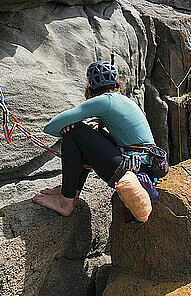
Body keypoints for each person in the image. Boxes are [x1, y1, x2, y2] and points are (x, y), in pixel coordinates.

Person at [32, 60, 158, 216]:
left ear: (90, 87)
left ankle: (66, 201)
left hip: (131, 169)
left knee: (74, 131)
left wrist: (71, 128)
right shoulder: (122, 99)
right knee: (88, 132)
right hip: (144, 167)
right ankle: (70, 191)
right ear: (117, 83)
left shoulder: (104, 101)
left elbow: (51, 126)